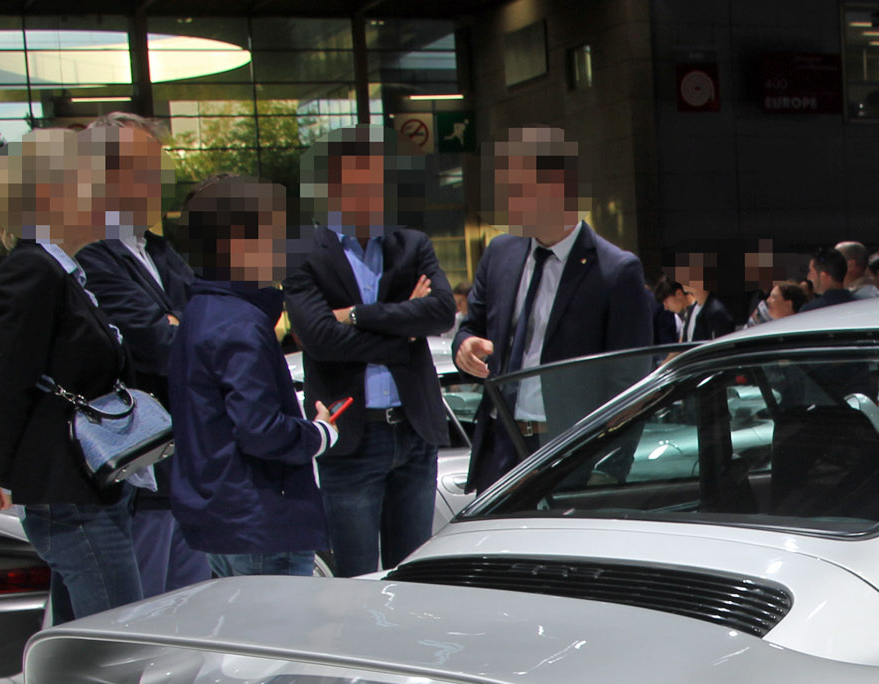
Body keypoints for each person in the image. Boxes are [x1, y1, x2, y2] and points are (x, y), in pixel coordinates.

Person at [0, 130, 140, 624]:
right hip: (71, 495)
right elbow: (7, 382)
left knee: (87, 650)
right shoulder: (33, 271)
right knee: (115, 646)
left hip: (88, 489)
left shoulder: (61, 271)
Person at [283, 127, 455, 576]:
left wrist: (356, 314)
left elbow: (439, 313)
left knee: (414, 578)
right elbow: (320, 339)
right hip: (351, 438)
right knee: (354, 582)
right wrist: (403, 329)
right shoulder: (301, 252)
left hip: (415, 431)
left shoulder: (411, 242)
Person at [456, 127, 655, 492]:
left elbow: (630, 383)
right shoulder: (501, 253)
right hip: (501, 443)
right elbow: (470, 328)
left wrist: (610, 467)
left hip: (570, 448)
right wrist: (464, 347)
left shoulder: (615, 271)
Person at [168, 175, 338, 577]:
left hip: (225, 518)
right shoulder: (239, 322)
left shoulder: (202, 311)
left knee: (242, 635)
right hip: (261, 520)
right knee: (277, 636)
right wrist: (319, 434)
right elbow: (260, 429)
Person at [75, 110, 212, 598]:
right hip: (139, 473)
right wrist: (185, 325)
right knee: (141, 628)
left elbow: (218, 321)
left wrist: (189, 324)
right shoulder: (87, 253)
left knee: (189, 620)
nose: (161, 177)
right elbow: (162, 343)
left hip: (184, 471)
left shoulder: (156, 249)